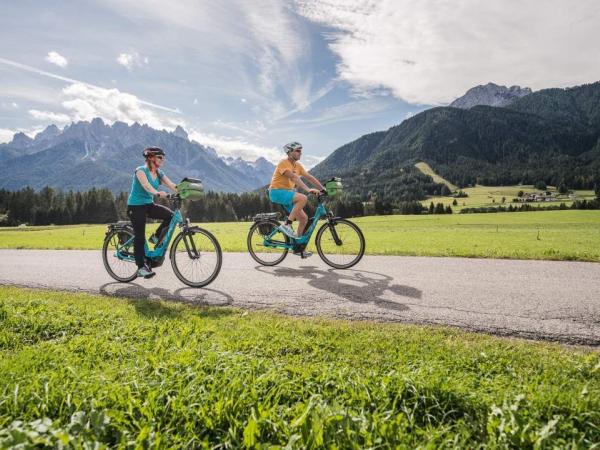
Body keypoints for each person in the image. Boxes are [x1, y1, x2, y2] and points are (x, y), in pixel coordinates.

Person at [127, 146, 178, 279]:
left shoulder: (159, 173)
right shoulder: (140, 171)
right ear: (150, 157)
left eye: (163, 157)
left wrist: (184, 190)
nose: (163, 160)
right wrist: (157, 193)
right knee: (139, 236)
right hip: (135, 206)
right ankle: (141, 267)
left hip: (148, 205)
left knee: (171, 216)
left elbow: (172, 185)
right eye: (160, 157)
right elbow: (146, 186)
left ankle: (155, 237)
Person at [268, 141, 325, 258]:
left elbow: (309, 177)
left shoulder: (298, 166)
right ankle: (287, 225)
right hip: (276, 192)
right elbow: (294, 177)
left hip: (288, 194)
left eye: (301, 151)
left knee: (304, 219)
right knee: (303, 198)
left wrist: (323, 188)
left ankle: (297, 248)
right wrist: (308, 190)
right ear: (289, 152)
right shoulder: (284, 163)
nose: (300, 153)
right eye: (298, 151)